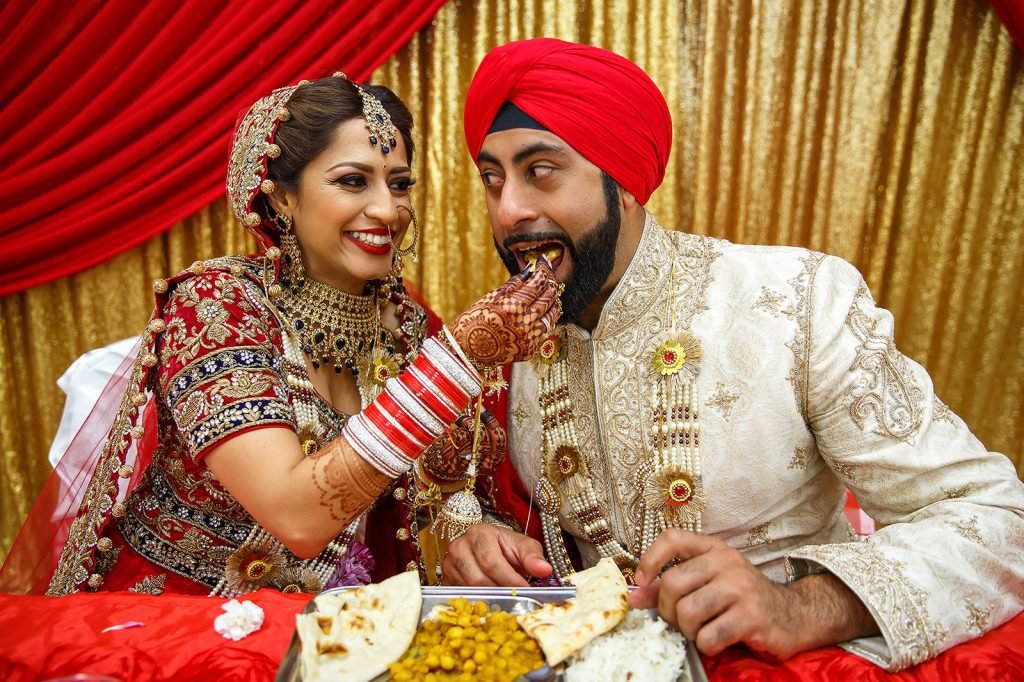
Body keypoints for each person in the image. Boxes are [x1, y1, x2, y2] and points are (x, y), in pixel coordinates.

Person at [442, 38, 1024, 671]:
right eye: (492, 180)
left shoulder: (797, 300)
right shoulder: (506, 333)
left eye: (541, 171)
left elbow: (995, 517)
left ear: (625, 180)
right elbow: (491, 498)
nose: (510, 211)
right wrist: (476, 537)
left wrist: (800, 606)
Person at [0, 73, 560, 597]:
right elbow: (296, 516)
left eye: (399, 183)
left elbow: (445, 490)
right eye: (351, 181)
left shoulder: (410, 326)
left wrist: (471, 529)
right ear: (280, 196)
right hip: (178, 625)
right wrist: (460, 362)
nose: (388, 210)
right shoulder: (217, 305)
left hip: (333, 633)